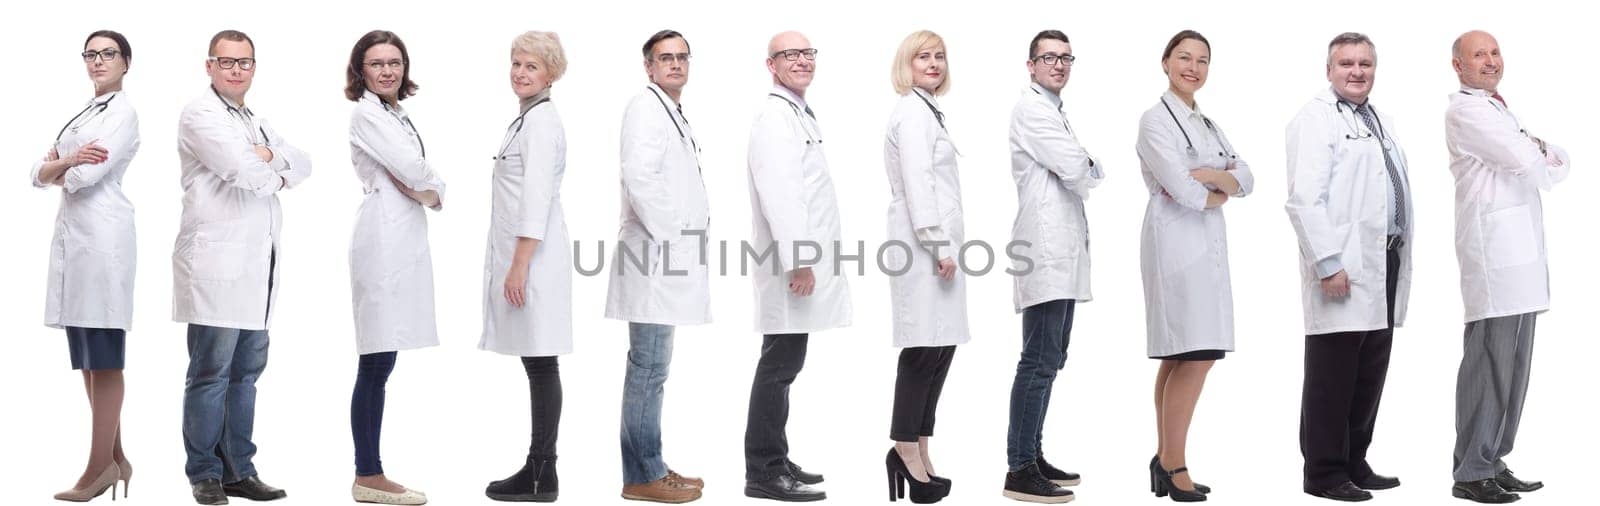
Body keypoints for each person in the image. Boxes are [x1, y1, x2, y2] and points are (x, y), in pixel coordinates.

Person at [174, 29, 310, 505]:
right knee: (211, 372)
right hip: (217, 266)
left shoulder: (254, 119)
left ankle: (239, 469)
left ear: (254, 67)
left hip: (258, 270)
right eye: (226, 61)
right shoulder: (200, 113)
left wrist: (271, 155)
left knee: (246, 373)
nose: (236, 70)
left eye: (245, 62)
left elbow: (305, 162)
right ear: (208, 66)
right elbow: (243, 173)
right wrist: (274, 166)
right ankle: (205, 473)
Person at [1285, 32, 1412, 503]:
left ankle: (1355, 460)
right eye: (1346, 63)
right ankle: (1323, 472)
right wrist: (1328, 262)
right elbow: (1303, 200)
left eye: (1365, 63)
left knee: (1369, 369)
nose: (1357, 71)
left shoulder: (1377, 117)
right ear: (1329, 70)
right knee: (1332, 375)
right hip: (1343, 264)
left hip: (1384, 259)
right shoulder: (1315, 119)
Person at [1445, 29, 1567, 505]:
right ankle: (1471, 470)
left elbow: (1557, 161)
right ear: (1459, 65)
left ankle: (1492, 459)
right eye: (1479, 54)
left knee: (1514, 368)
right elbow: (1531, 162)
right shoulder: (1467, 111)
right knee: (1488, 364)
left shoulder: (1498, 109)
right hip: (1495, 261)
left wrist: (1537, 152)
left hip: (1521, 264)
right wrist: (1535, 150)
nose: (1490, 60)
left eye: (1495, 52)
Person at [1135, 29, 1252, 504]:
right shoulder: (1154, 121)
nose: (1194, 67)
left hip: (1204, 246)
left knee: (1182, 355)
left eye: (1203, 60)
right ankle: (1173, 462)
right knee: (1194, 353)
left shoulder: (1206, 123)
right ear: (1165, 62)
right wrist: (1219, 186)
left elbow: (1248, 175)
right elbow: (1185, 192)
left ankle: (1165, 458)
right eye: (1184, 57)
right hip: (1176, 248)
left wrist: (1219, 181)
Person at [741, 29, 852, 503]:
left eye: (808, 52)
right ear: (771, 64)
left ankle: (776, 457)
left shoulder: (796, 113)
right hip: (793, 268)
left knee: (786, 363)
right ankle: (763, 470)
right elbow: (782, 197)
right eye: (791, 54)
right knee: (778, 366)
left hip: (800, 265)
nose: (803, 60)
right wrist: (801, 262)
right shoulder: (774, 119)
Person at [30, 29, 141, 503]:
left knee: (105, 353)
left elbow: (83, 176)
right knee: (87, 360)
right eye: (91, 54)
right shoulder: (86, 113)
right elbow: (37, 173)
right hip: (77, 242)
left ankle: (98, 468)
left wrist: (63, 166)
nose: (98, 61)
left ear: (126, 62)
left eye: (108, 54)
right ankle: (115, 459)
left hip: (103, 242)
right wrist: (65, 162)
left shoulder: (123, 113)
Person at [606, 29, 710, 504]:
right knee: (647, 368)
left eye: (682, 57)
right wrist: (675, 239)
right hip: (654, 258)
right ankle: (643, 474)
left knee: (654, 368)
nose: (675, 64)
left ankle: (652, 464)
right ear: (648, 66)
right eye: (665, 58)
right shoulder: (645, 107)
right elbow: (641, 178)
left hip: (666, 259)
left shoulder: (669, 110)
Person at [344, 29, 441, 506]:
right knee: (376, 360)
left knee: (384, 358)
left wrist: (428, 188)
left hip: (400, 240)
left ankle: (371, 471)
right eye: (377, 63)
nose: (387, 70)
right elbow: (415, 170)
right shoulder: (367, 114)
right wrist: (429, 187)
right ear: (360, 70)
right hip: (382, 241)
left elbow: (421, 177)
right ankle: (368, 473)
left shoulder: (394, 112)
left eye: (395, 62)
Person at [1002, 29, 1098, 505]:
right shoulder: (1032, 110)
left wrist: (1085, 165)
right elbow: (1077, 168)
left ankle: (1032, 456)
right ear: (1031, 65)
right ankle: (1019, 469)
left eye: (1066, 58)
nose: (1059, 65)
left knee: (1052, 358)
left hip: (1062, 254)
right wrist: (1085, 164)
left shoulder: (1054, 111)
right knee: (1037, 362)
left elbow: (1082, 168)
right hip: (1045, 252)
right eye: (1049, 58)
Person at [479, 30, 574, 504]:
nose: (520, 73)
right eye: (516, 63)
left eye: (531, 66)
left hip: (533, 259)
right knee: (538, 360)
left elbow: (534, 200)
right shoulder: (527, 118)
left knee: (541, 362)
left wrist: (517, 267)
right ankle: (541, 469)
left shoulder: (540, 123)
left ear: (551, 73)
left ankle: (542, 472)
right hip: (529, 255)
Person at [882, 28, 968, 505]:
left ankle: (921, 446)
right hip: (923, 247)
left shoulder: (930, 110)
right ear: (906, 64)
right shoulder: (912, 113)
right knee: (922, 350)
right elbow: (918, 185)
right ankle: (903, 447)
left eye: (939, 56)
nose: (933, 63)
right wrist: (939, 245)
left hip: (939, 245)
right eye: (923, 57)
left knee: (941, 348)